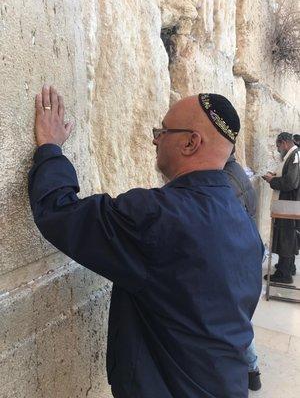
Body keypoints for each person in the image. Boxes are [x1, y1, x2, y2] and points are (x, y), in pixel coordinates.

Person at [28, 86, 263, 398]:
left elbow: (58, 212)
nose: (155, 139)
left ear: (191, 142)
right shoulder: (243, 221)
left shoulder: (156, 216)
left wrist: (50, 149)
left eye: (163, 131)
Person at [224, 151, 262, 391]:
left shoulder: (225, 179)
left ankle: (252, 370)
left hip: (235, 261)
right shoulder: (235, 172)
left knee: (237, 322)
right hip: (245, 256)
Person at [263, 132, 300, 283]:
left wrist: (272, 180)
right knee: (288, 235)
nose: (279, 150)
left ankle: (284, 274)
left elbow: (291, 183)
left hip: (289, 204)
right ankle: (288, 266)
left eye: (278, 146)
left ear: (284, 143)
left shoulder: (295, 156)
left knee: (286, 236)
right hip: (289, 203)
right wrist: (276, 175)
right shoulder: (293, 155)